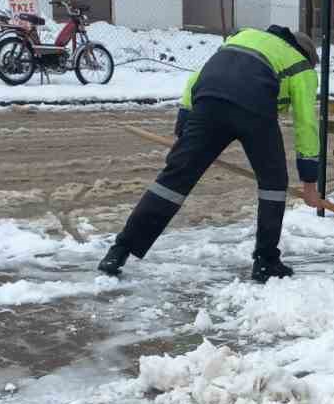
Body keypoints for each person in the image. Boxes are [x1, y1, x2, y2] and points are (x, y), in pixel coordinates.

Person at [98, 25, 321, 283]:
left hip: (208, 102)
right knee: (273, 185)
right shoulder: (300, 66)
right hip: (256, 109)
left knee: (173, 181)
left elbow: (195, 79)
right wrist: (309, 183)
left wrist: (183, 132)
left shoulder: (243, 39)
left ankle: (120, 250)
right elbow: (306, 125)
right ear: (306, 56)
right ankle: (266, 261)